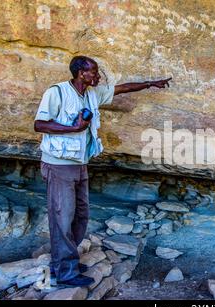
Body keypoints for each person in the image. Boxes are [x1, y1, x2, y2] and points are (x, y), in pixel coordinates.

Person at [34, 56, 171, 287]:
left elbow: (121, 89)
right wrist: (72, 128)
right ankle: (65, 272)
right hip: (58, 165)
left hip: (79, 164)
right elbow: (39, 124)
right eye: (94, 72)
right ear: (80, 73)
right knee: (62, 218)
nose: (98, 77)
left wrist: (150, 83)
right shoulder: (56, 93)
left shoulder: (91, 94)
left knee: (80, 216)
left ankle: (65, 263)